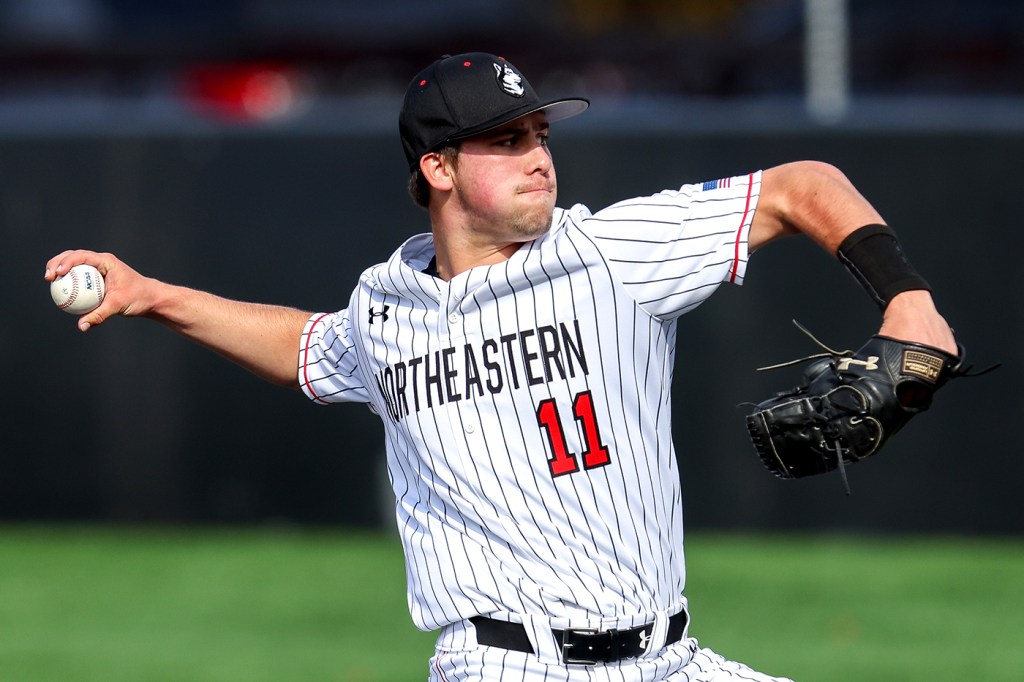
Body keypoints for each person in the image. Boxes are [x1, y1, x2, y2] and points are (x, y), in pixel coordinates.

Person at [45, 53, 956, 681]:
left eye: (540, 134)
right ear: (438, 168)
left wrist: (905, 296)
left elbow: (803, 186)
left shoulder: (609, 252)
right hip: (501, 660)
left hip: (668, 657)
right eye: (507, 139)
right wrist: (156, 295)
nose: (538, 156)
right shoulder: (386, 306)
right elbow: (306, 349)